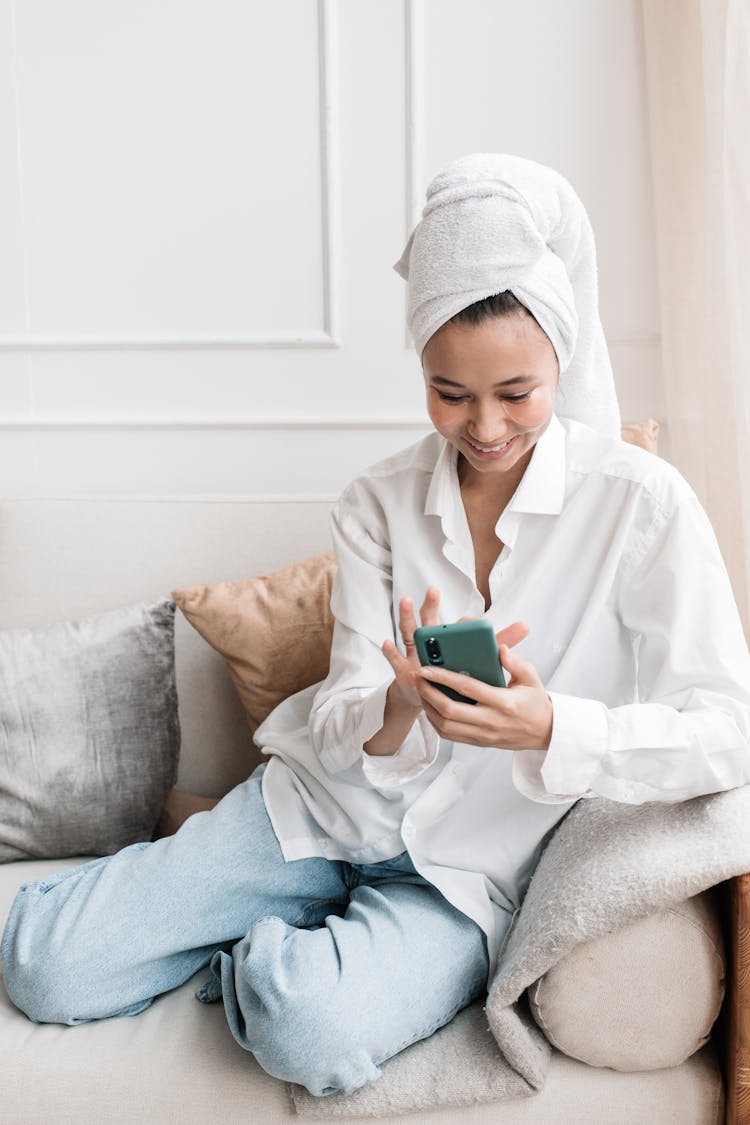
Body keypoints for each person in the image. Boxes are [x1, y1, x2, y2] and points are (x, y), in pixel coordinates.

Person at [3, 154, 750, 1099]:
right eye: (450, 392)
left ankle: (247, 940)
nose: (484, 427)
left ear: (560, 355)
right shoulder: (376, 503)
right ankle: (212, 882)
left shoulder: (643, 507)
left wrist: (551, 726)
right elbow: (341, 718)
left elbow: (728, 728)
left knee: (307, 1026)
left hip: (463, 882)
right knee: (45, 965)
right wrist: (395, 706)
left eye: (516, 392)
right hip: (318, 812)